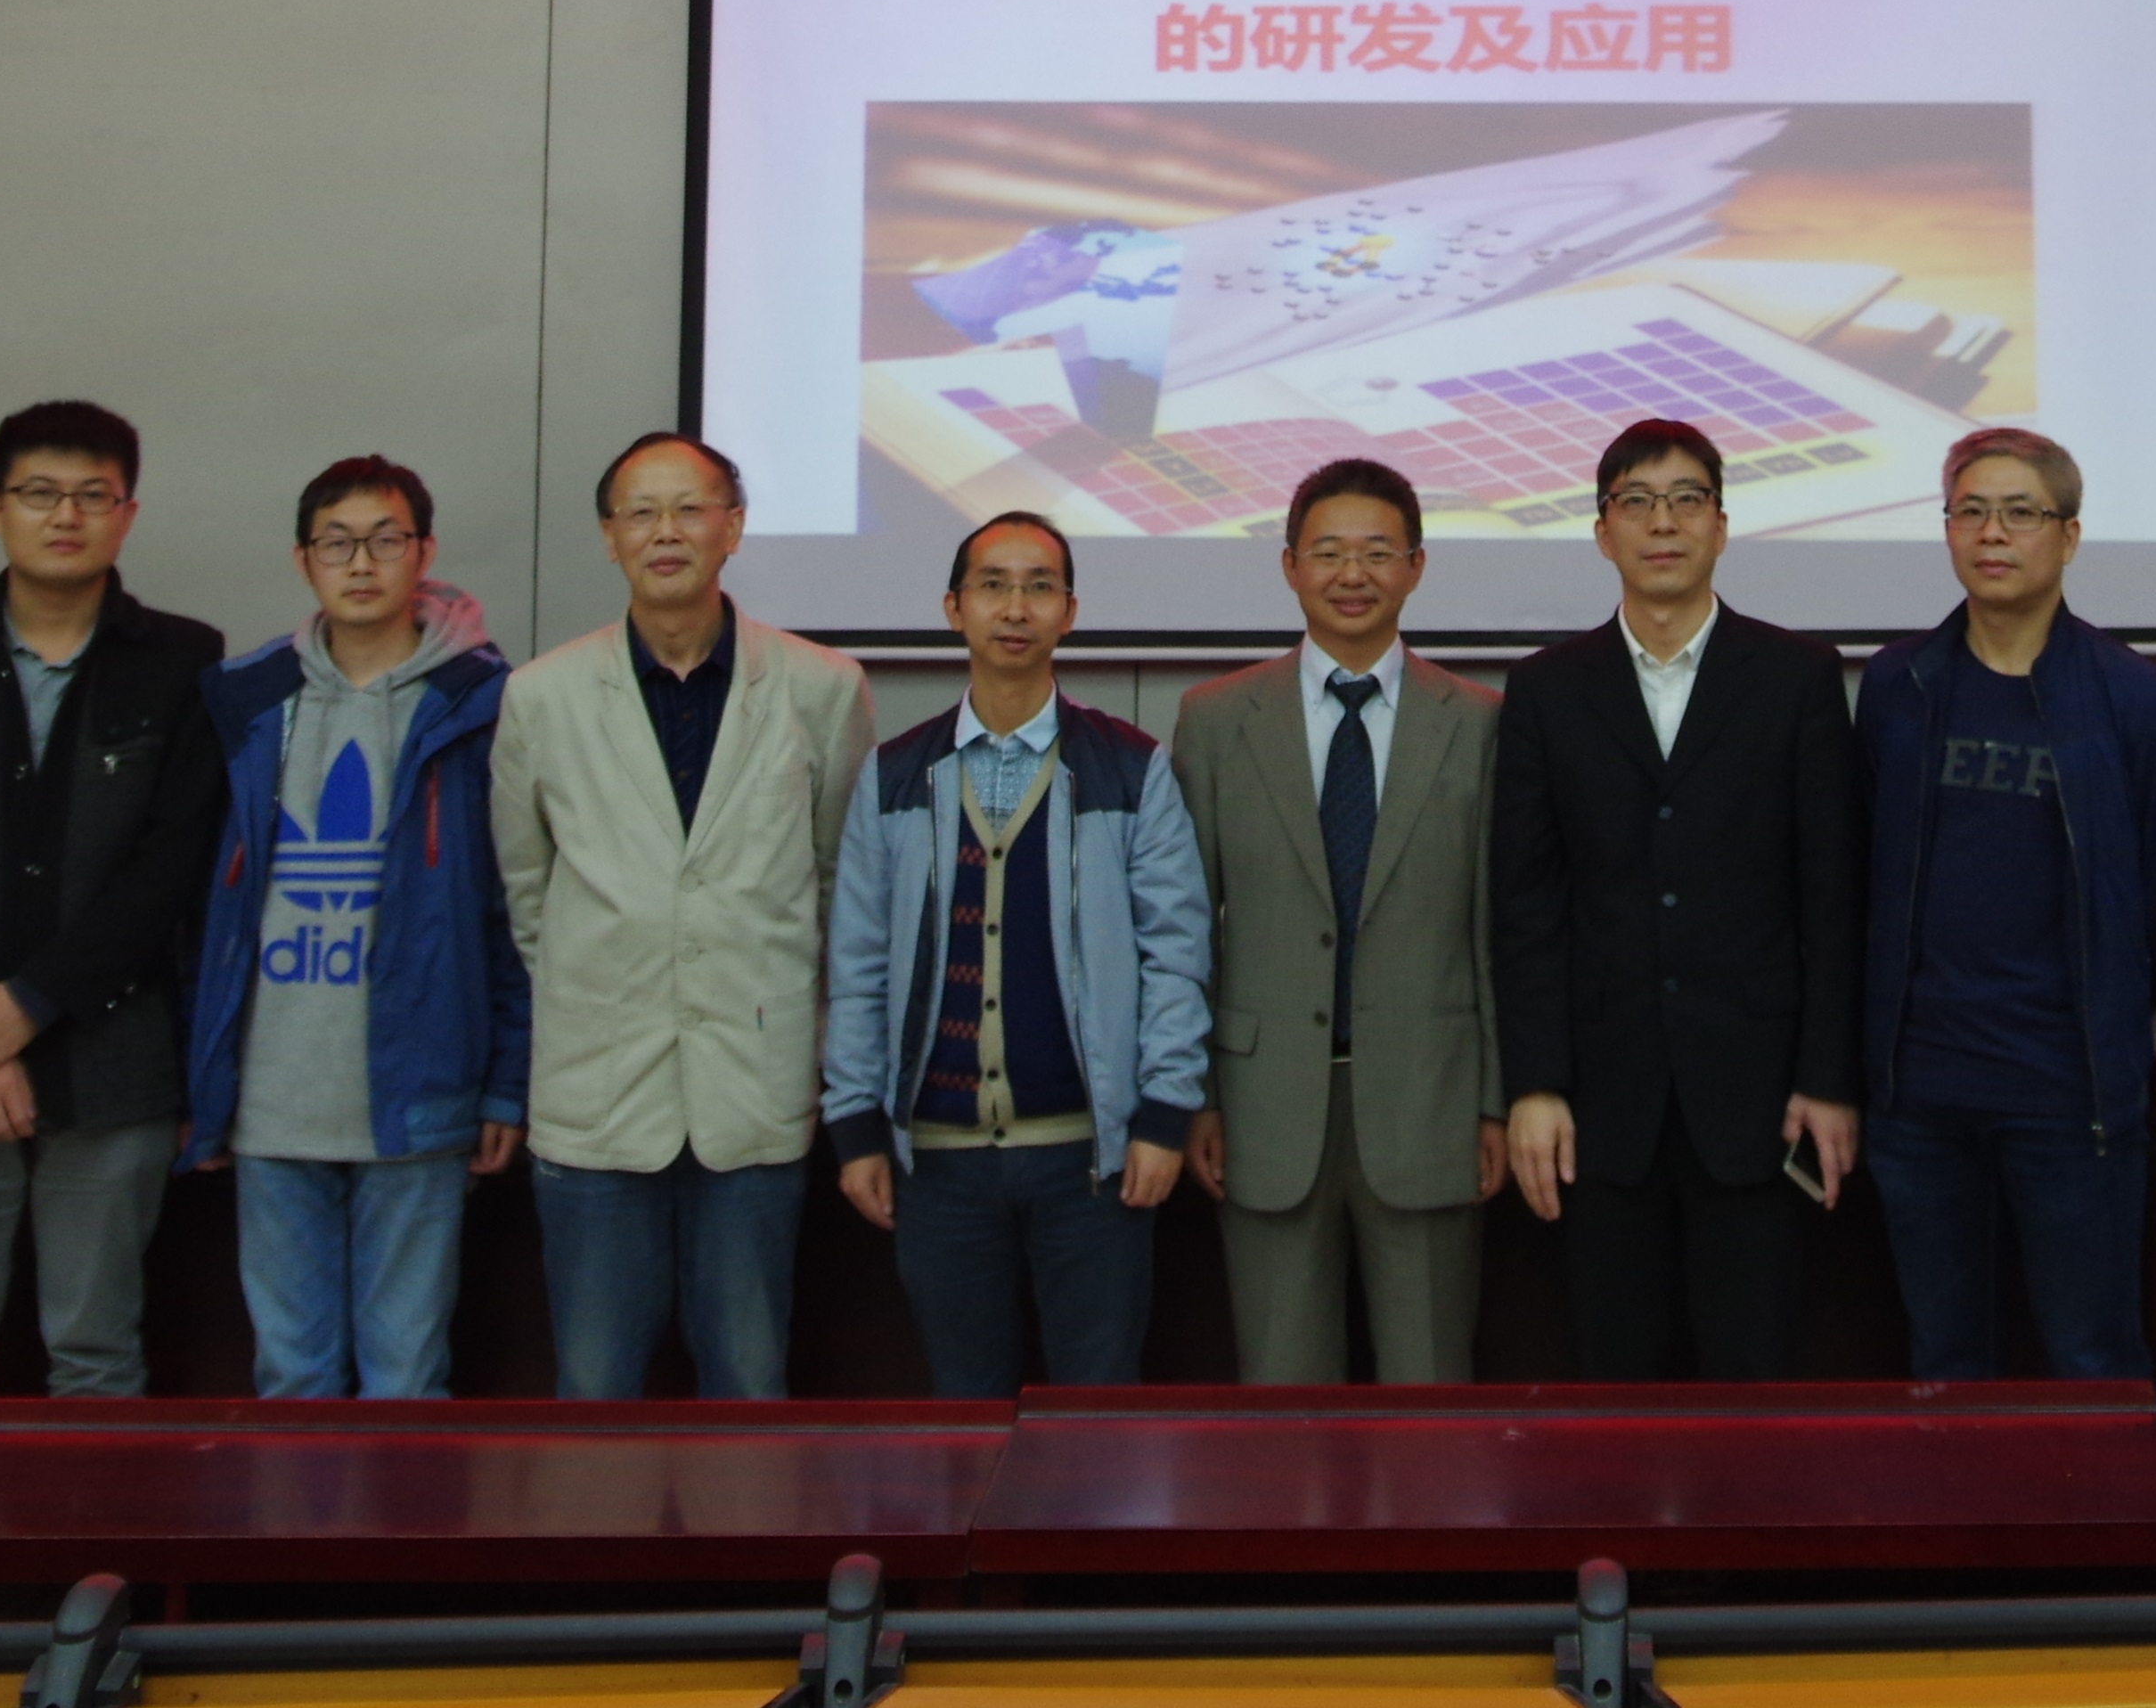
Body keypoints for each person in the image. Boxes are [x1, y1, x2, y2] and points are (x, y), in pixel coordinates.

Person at [0, 399, 229, 1399]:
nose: (65, 515)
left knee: (97, 1359)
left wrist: (28, 1004)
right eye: (39, 493)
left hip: (113, 1065)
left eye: (92, 495)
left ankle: (97, 1526)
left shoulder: (184, 660)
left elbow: (168, 867)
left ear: (127, 513)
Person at [497, 430, 876, 1398]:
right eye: (641, 513)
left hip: (753, 1082)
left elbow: (835, 880)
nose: (665, 532)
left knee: (749, 1381)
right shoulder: (540, 697)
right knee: (593, 1386)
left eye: (689, 509)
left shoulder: (822, 686)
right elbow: (529, 893)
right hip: (596, 1087)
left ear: (732, 527)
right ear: (609, 536)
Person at [1490, 416, 1867, 1380]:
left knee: (1755, 1382)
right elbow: (1526, 907)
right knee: (1613, 1385)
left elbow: (1831, 898)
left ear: (1721, 525)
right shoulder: (1545, 689)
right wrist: (1534, 1084)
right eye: (1638, 502)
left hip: (1760, 1099)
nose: (1664, 523)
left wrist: (1827, 1077)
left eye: (1687, 500)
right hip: (1599, 1104)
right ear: (1602, 530)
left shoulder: (1797, 677)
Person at [822, 514, 1211, 1395]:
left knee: (1097, 1414)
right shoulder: (894, 774)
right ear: (953, 607)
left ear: (1069, 612)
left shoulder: (1130, 768)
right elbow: (858, 965)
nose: (1015, 607)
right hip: (937, 1163)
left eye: (1039, 587)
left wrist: (1164, 1114)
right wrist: (854, 1124)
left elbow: (1177, 954)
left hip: (1092, 1160)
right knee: (964, 1416)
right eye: (992, 585)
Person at [1865, 426, 2156, 1381]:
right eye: (1970, 511)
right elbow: (1864, 872)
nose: (1992, 533)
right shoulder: (1899, 683)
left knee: (2092, 1360)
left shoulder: (2133, 697)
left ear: (2069, 535)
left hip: (2068, 1093)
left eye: (2020, 512)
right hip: (1920, 1094)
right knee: (1943, 1362)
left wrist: (2096, 1013)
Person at [185, 456, 528, 1399]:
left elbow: (513, 911)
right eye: (337, 543)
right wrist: (205, 1081)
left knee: (406, 1377)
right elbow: (199, 908)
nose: (362, 563)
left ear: (425, 552)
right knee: (290, 1376)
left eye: (385, 539)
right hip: (272, 1097)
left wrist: (507, 1083)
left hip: (419, 1094)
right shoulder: (245, 699)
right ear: (303, 560)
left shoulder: (484, 704)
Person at [1171, 455, 1507, 1385]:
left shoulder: (1480, 722)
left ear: (1416, 566)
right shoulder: (1215, 719)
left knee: (1431, 1394)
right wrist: (1197, 1096)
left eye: (1376, 552)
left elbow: (1494, 930)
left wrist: (1494, 1098)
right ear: (1289, 565)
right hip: (1262, 1108)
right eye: (1327, 552)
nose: (1351, 574)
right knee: (1282, 1400)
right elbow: (1186, 932)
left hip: (1432, 1103)